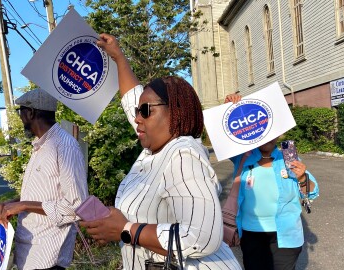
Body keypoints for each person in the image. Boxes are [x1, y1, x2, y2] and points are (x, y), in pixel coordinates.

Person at [80, 33, 241, 269]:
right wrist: (118, 57)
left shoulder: (183, 154)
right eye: (137, 111)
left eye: (145, 111)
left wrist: (126, 230)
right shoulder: (154, 150)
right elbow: (132, 98)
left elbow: (202, 237)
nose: (136, 118)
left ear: (174, 112)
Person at [0, 88, 89, 270]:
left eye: (21, 112)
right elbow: (41, 194)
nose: (20, 119)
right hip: (28, 253)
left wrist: (24, 205)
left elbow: (77, 206)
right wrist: (10, 204)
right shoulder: (40, 146)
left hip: (48, 258)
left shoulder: (65, 146)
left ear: (30, 113)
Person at [224, 93, 320, 270]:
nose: (267, 136)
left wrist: (302, 177)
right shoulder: (243, 157)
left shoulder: (288, 155)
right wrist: (231, 109)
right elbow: (225, 139)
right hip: (251, 235)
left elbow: (311, 192)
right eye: (262, 131)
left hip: (286, 235)